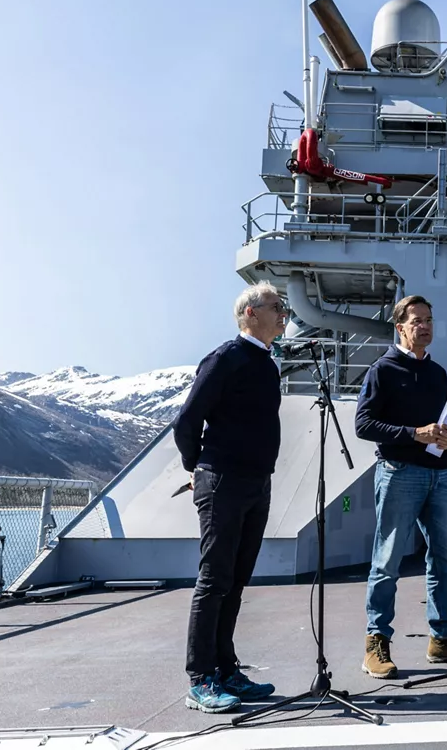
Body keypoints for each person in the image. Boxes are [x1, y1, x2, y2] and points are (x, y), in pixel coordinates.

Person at [174, 282, 288, 714]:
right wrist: (196, 467)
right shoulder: (226, 358)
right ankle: (200, 679)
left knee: (236, 583)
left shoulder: (267, 364)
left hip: (257, 482)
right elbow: (187, 421)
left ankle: (225, 669)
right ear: (249, 314)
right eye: (275, 307)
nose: (283, 314)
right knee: (214, 580)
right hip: (222, 481)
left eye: (283, 308)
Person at [355, 295, 447, 680]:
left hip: (441, 476)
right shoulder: (382, 371)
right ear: (400, 326)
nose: (426, 326)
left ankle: (442, 638)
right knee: (387, 562)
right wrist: (413, 434)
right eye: (417, 320)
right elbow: (364, 425)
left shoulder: (437, 373)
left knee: (445, 559)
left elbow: (441, 424)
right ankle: (376, 642)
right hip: (399, 472)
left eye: (430, 320)